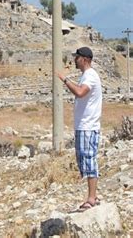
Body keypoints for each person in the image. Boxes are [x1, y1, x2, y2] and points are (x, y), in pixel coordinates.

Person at [57, 46, 102, 211]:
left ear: (85, 59)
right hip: (83, 126)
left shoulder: (90, 75)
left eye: (77, 57)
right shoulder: (86, 75)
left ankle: (91, 198)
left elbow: (81, 92)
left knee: (89, 160)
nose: (75, 60)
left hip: (88, 126)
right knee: (83, 160)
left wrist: (65, 79)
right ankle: (92, 196)